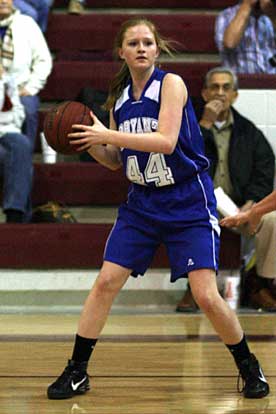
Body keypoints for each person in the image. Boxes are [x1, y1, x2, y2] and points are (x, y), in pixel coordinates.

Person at [47, 18, 269, 400]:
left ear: (157, 48)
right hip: (143, 203)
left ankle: (250, 367)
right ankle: (77, 370)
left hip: (187, 199)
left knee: (205, 295)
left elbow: (166, 141)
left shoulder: (171, 84)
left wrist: (106, 134)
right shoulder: (119, 97)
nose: (141, 48)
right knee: (105, 282)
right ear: (121, 52)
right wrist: (89, 142)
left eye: (148, 42)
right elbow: (116, 159)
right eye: (133, 42)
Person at [176, 66, 276, 313]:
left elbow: (265, 170)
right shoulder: (189, 126)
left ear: (235, 95)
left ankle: (260, 284)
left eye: (226, 87)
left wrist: (253, 203)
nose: (220, 93)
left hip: (240, 206)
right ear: (204, 93)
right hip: (201, 202)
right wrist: (205, 124)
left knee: (273, 219)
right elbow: (180, 160)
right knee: (191, 219)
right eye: (214, 87)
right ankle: (193, 287)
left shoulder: (249, 132)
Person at [0, 0, 52, 153]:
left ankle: (24, 160)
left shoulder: (27, 24)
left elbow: (44, 60)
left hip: (20, 88)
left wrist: (31, 87)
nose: (3, 1)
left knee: (28, 109)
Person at [0, 64, 33, 222]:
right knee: (16, 158)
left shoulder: (8, 80)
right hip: (4, 129)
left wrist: (3, 81)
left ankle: (15, 214)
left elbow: (18, 112)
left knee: (22, 145)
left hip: (7, 132)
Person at [215, 0, 276, 74]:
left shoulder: (271, 15)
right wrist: (247, 5)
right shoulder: (226, 15)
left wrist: (272, 14)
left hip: (272, 80)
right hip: (242, 80)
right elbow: (230, 43)